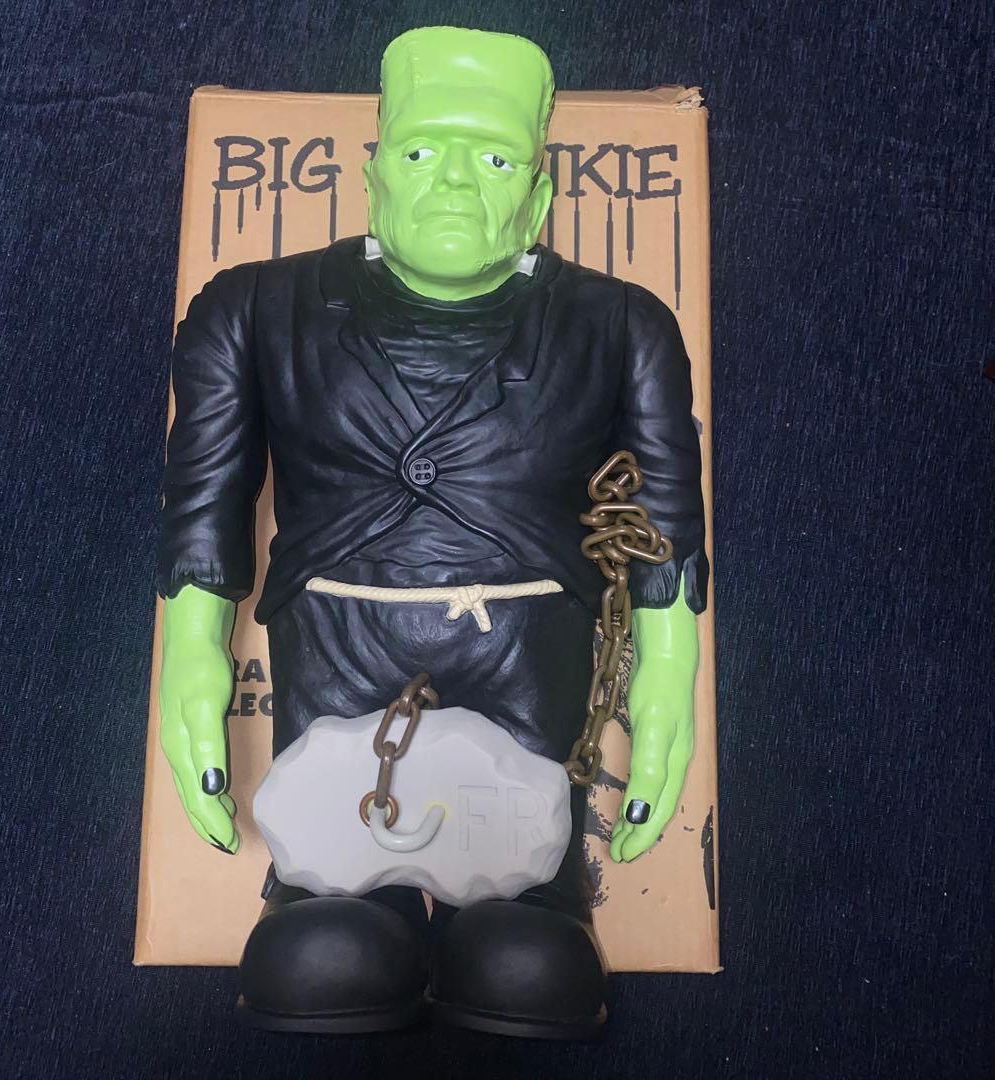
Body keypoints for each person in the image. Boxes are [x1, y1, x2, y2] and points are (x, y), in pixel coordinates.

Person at [156, 26, 708, 1038]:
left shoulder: (623, 325)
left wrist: (668, 667)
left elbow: (660, 512)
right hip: (337, 645)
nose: (455, 180)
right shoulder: (253, 309)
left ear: (537, 196)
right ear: (372, 176)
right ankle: (325, 894)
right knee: (325, 939)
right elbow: (206, 494)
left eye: (494, 159)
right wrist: (190, 650)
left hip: (529, 650)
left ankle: (533, 896)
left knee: (525, 948)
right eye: (422, 151)